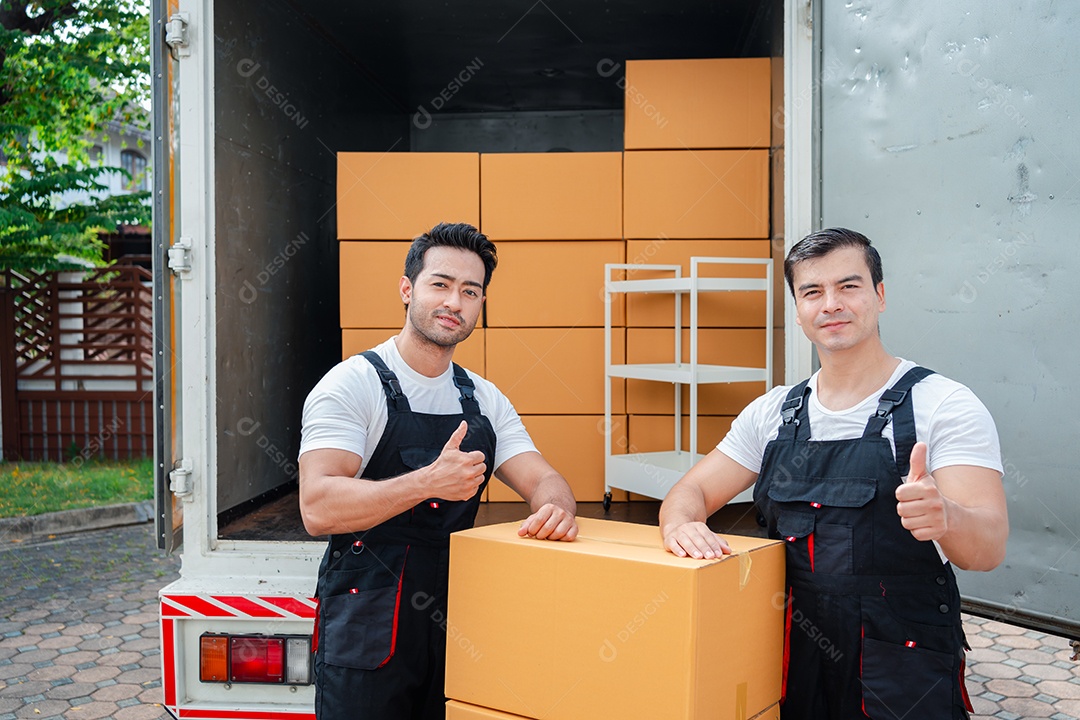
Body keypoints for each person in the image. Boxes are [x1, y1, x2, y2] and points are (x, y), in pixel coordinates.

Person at [660, 228, 1007, 719]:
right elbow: (691, 489)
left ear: (880, 295)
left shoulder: (943, 405)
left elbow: (987, 550)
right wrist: (681, 523)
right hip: (790, 658)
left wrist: (947, 517)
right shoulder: (772, 413)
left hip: (902, 665)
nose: (831, 305)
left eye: (849, 286)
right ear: (798, 310)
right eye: (812, 292)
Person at [298, 222, 578, 720]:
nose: (454, 302)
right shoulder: (353, 384)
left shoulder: (484, 398)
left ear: (481, 304)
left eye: (470, 291)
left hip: (457, 620)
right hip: (368, 620)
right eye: (440, 284)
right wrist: (426, 482)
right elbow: (317, 508)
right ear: (407, 290)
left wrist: (556, 508)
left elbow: (543, 479)